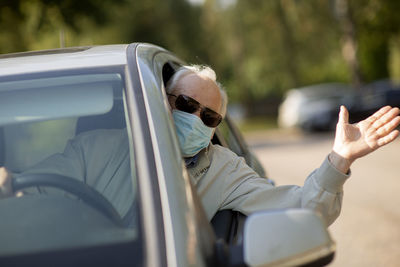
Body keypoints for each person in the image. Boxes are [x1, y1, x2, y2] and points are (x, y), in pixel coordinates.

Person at [1, 65, 399, 226]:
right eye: (187, 105)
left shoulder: (225, 168)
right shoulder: (93, 148)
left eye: (209, 117)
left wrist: (339, 160)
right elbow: (29, 191)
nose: (195, 120)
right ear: (162, 101)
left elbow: (304, 210)